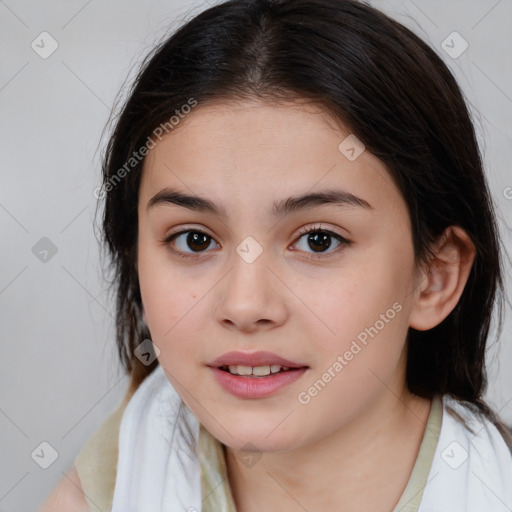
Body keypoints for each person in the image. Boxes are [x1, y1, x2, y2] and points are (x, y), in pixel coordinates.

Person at [40, 0, 512, 510]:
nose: (245, 305)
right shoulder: (112, 480)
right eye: (195, 239)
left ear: (434, 277)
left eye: (318, 240)